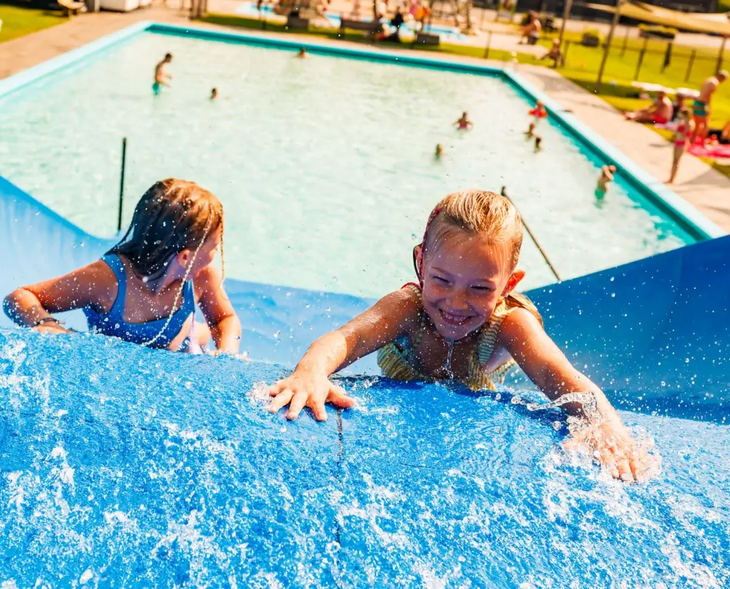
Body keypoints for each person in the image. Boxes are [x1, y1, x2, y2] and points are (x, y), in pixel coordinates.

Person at [268, 190, 652, 482]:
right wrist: (312, 372)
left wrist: (606, 428)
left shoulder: (510, 324)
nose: (456, 303)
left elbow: (564, 379)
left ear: (509, 284)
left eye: (480, 289)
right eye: (441, 280)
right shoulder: (408, 307)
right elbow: (346, 338)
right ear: (421, 263)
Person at [4, 179, 241, 354]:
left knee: (194, 337)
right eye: (214, 247)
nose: (215, 256)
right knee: (192, 333)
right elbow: (20, 297)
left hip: (182, 348)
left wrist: (227, 353)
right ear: (185, 257)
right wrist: (47, 325)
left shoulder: (200, 276)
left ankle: (195, 332)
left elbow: (224, 318)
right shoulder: (108, 281)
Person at [691, 71, 727, 143]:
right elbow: (708, 96)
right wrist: (708, 107)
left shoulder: (708, 79)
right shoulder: (714, 83)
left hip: (697, 102)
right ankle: (703, 143)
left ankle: (692, 139)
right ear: (721, 78)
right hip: (702, 104)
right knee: (706, 125)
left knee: (697, 123)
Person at [668, 110, 692, 184]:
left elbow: (687, 135)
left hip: (682, 143)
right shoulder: (682, 122)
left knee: (677, 161)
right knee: (674, 161)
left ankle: (672, 179)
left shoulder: (689, 124)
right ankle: (670, 177)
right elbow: (676, 133)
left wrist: (683, 126)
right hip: (677, 142)